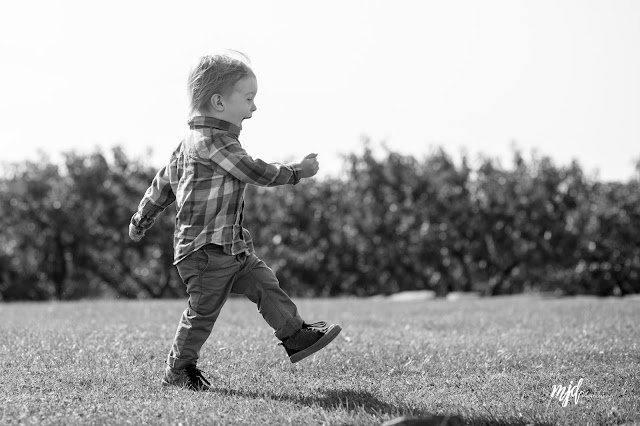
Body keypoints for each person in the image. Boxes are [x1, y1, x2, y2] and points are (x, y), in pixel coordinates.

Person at [128, 50, 341, 391]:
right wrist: (298, 171)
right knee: (203, 313)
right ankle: (179, 369)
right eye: (248, 98)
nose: (254, 108)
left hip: (229, 246)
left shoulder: (186, 145)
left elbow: (161, 186)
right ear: (218, 102)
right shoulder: (215, 142)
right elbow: (252, 170)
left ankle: (296, 335)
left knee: (263, 281)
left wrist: (141, 218)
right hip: (206, 251)